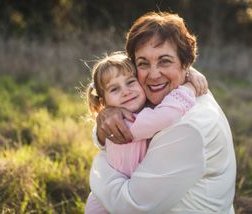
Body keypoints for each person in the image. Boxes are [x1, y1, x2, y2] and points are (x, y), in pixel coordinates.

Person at [90, 12, 236, 213]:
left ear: (186, 64)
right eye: (143, 63)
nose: (154, 74)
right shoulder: (168, 93)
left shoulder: (185, 126)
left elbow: (132, 206)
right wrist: (105, 119)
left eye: (164, 61)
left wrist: (100, 165)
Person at [85, 52, 199, 213]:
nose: (126, 91)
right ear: (104, 103)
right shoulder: (126, 122)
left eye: (131, 82)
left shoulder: (142, 113)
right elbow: (165, 115)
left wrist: (189, 72)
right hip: (105, 205)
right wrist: (189, 87)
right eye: (114, 89)